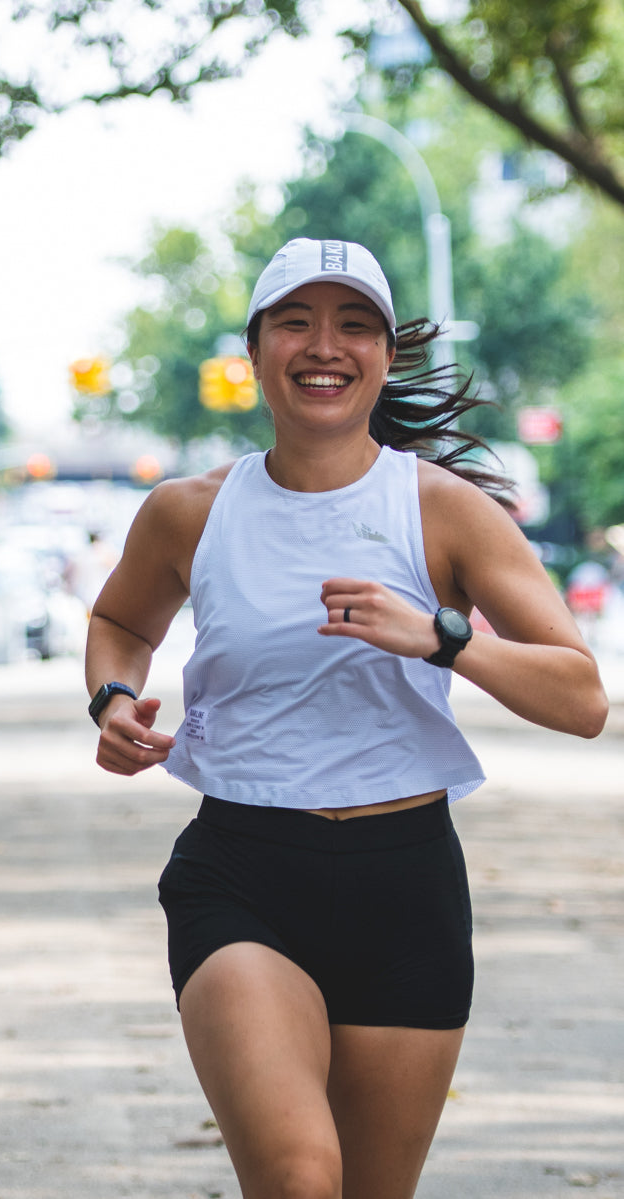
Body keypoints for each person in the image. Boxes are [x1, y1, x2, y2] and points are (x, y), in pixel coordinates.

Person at [85, 237, 608, 1199]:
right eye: (297, 321)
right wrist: (113, 698)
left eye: (354, 324)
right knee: (297, 1175)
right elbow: (121, 619)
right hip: (242, 870)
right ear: (255, 352)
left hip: (403, 883)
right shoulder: (188, 511)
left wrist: (442, 637)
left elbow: (581, 698)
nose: (324, 345)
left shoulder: (444, 509)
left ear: (384, 355)